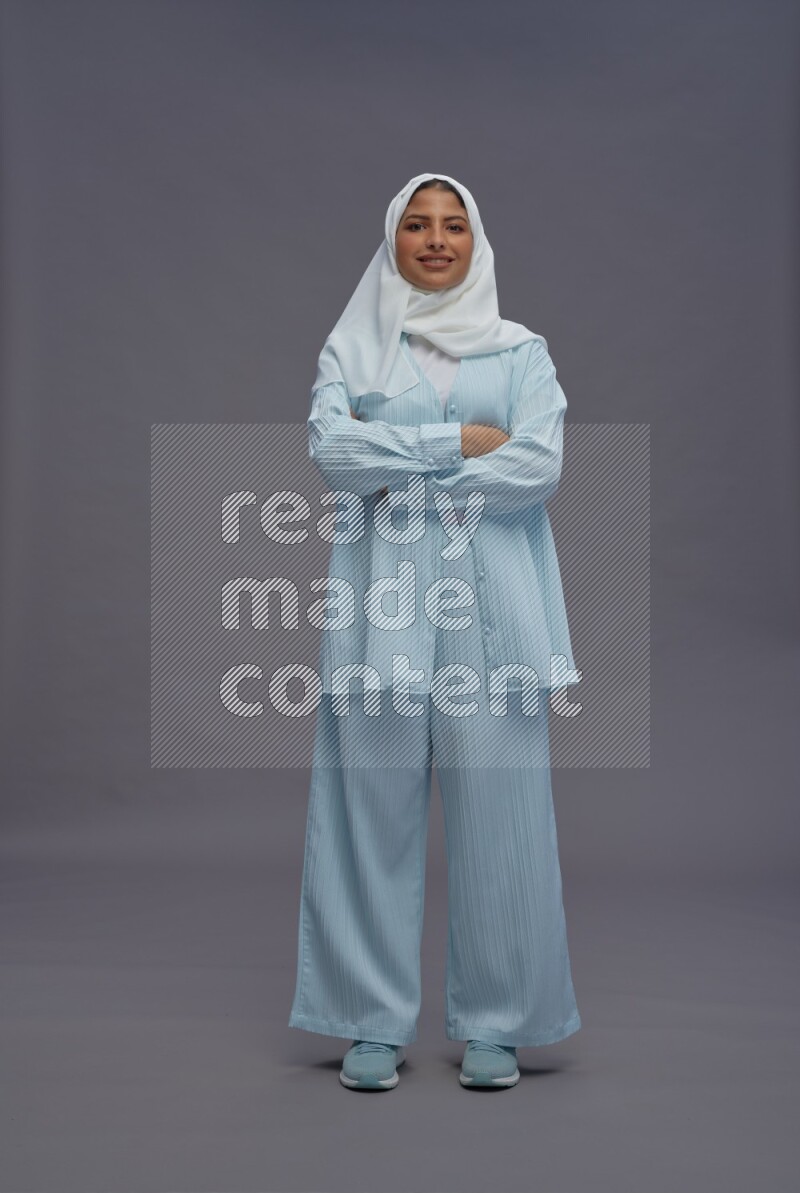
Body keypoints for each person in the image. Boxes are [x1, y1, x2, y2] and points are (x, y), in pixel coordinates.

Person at [288, 172, 582, 1091]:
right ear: (393, 240)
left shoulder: (522, 351)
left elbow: (538, 463)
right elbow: (334, 457)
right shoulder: (354, 348)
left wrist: (401, 458)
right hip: (382, 616)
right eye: (417, 224)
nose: (436, 238)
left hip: (493, 617)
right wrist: (461, 442)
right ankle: (368, 1017)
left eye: (454, 224)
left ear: (476, 240)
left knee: (503, 822)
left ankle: (496, 1020)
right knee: (364, 812)